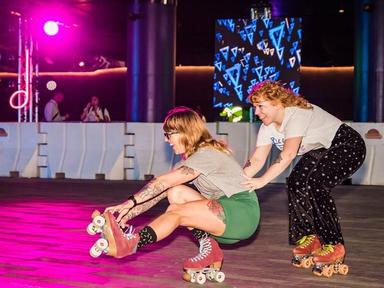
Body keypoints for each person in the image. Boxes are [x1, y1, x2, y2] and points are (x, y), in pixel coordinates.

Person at [100, 107, 260, 279]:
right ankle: (211, 249)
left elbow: (162, 181)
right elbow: (159, 191)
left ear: (185, 132)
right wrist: (127, 214)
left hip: (242, 213)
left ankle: (131, 243)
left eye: (169, 134)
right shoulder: (193, 159)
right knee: (176, 193)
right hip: (226, 213)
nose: (167, 140)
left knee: (176, 212)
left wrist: (129, 202)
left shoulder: (206, 154)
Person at [242, 81, 366, 276]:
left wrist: (262, 181)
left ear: (277, 103)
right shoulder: (268, 127)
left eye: (260, 106)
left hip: (347, 145)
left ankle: (334, 244)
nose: (256, 112)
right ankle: (310, 237)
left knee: (316, 184)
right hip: (320, 149)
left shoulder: (297, 113)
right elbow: (257, 160)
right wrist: (236, 183)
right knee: (296, 181)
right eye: (254, 107)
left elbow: (289, 154)